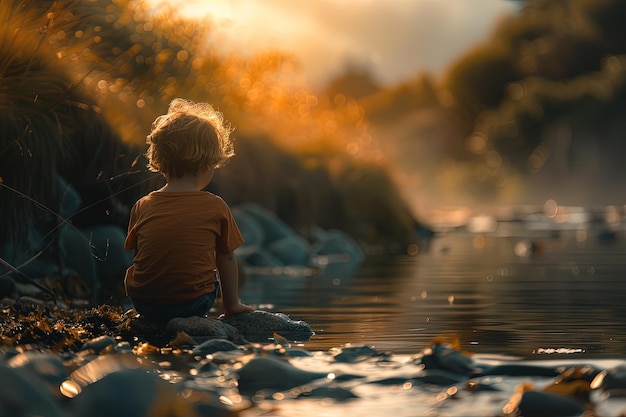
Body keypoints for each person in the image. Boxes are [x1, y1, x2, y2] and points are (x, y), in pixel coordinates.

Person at [124, 98, 254, 322]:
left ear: (160, 161)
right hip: (192, 304)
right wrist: (231, 305)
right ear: (206, 165)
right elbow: (227, 258)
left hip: (144, 303)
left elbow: (141, 256)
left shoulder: (142, 205)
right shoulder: (216, 206)